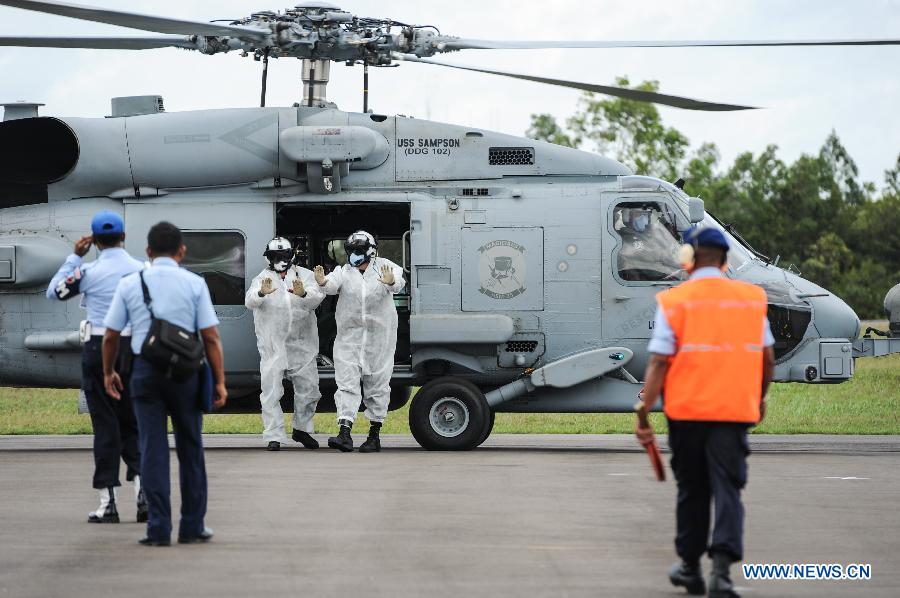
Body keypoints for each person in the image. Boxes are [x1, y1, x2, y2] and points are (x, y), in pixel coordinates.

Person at [635, 227, 775, 598]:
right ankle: (723, 574)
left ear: (690, 261)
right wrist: (758, 398)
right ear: (725, 260)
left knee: (692, 491)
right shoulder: (751, 298)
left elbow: (660, 361)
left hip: (687, 414)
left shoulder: (675, 301)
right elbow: (767, 358)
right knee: (728, 489)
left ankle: (690, 568)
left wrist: (644, 409)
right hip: (732, 414)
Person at [102, 222, 227, 546]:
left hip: (145, 373)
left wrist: (108, 372)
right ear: (182, 251)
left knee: (152, 450)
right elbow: (211, 338)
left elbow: (111, 335)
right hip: (186, 374)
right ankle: (192, 526)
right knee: (191, 448)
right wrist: (220, 382)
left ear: (148, 252)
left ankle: (157, 529)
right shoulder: (195, 283)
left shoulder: (131, 283)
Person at [46, 210, 146, 524]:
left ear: (94, 241)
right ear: (123, 237)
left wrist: (75, 258)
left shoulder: (87, 272)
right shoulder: (142, 270)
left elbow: (55, 292)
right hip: (132, 348)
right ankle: (144, 494)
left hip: (98, 346)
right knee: (134, 422)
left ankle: (107, 502)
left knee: (105, 425)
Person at [314, 230, 405, 453]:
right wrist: (322, 281)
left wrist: (392, 281)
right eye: (351, 250)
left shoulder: (385, 267)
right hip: (349, 339)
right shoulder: (344, 271)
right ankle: (344, 434)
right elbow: (331, 285)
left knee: (377, 386)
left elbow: (398, 283)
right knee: (346, 384)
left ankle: (374, 436)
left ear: (371, 251)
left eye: (359, 250)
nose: (355, 255)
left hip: (379, 339)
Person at [245, 237, 325, 451]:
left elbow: (318, 297)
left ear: (292, 256)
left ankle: (302, 429)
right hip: (273, 345)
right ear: (269, 258)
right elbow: (250, 301)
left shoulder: (304, 276)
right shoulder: (262, 278)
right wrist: (261, 293)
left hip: (302, 344)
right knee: (271, 391)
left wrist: (304, 293)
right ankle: (274, 436)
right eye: (275, 256)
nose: (281, 260)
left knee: (309, 389)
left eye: (284, 255)